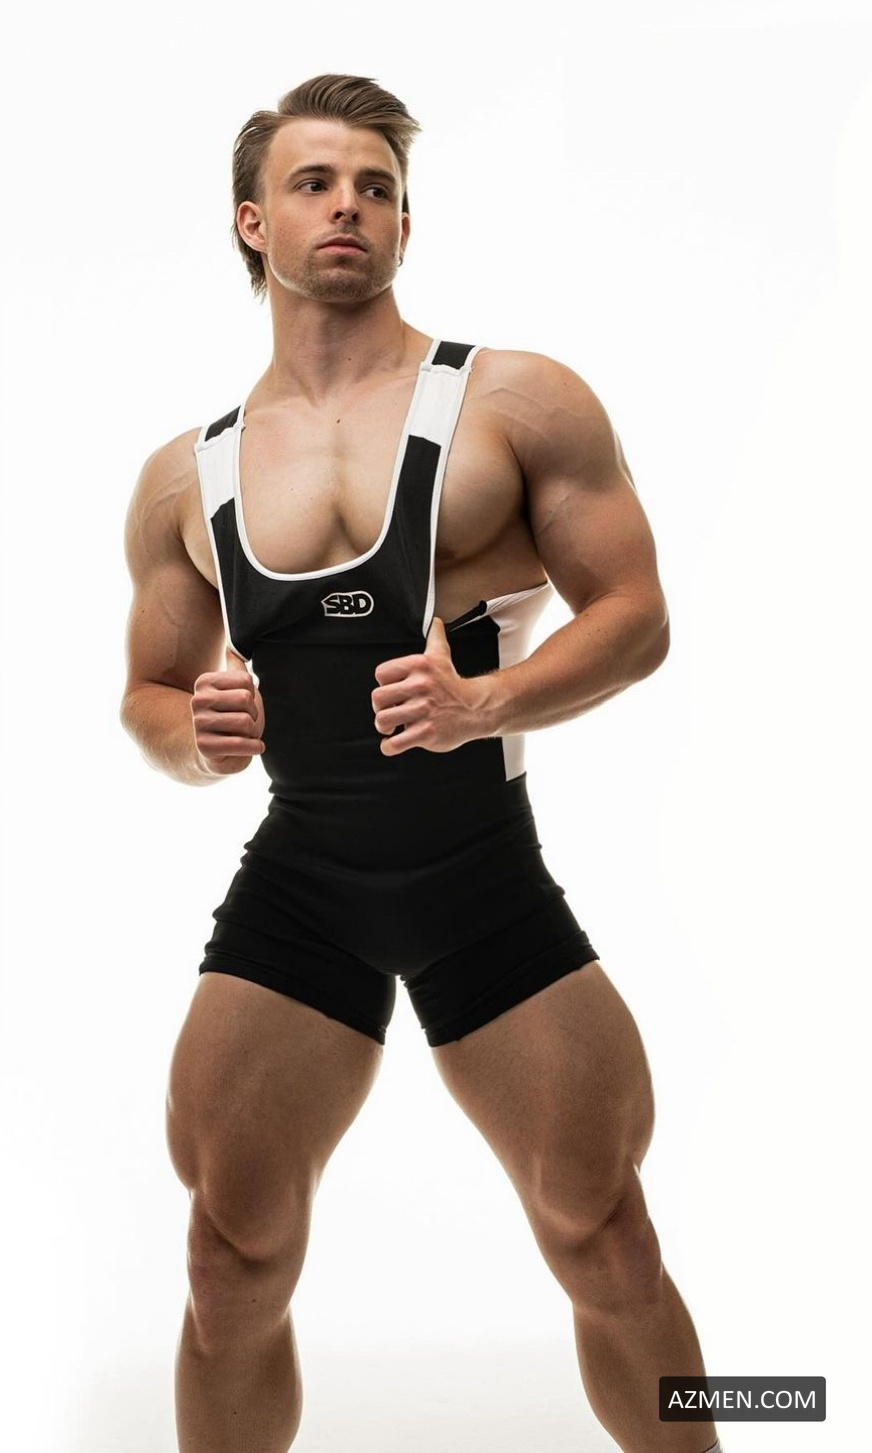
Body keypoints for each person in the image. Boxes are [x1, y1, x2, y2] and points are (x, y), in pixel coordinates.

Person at [121, 73, 721, 1453]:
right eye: (316, 182)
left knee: (607, 1236)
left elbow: (638, 618)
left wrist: (486, 698)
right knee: (228, 1258)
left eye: (377, 187)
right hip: (304, 889)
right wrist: (194, 738)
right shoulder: (184, 480)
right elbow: (147, 694)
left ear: (405, 223)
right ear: (252, 220)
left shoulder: (517, 402)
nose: (350, 205)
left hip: (482, 884)